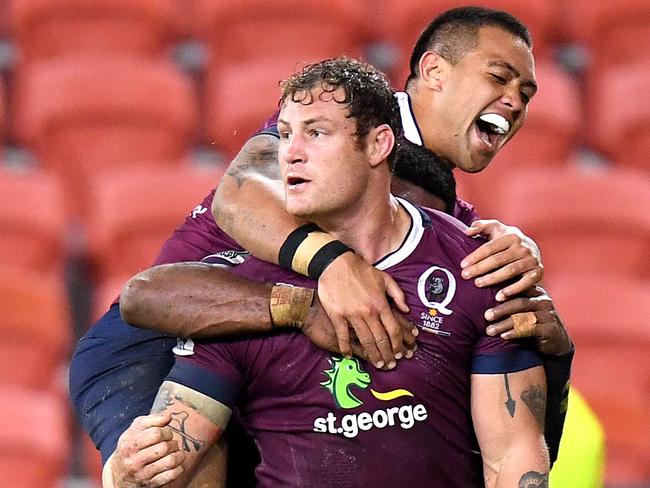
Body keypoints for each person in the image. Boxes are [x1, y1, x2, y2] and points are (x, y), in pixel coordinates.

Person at [69, 6, 572, 484]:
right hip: (157, 345)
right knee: (168, 468)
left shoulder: (441, 216)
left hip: (264, 360)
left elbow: (517, 444)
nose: (515, 100)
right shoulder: (334, 121)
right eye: (499, 77)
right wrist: (333, 266)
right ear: (435, 71)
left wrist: (546, 339)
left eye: (527, 92)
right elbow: (238, 199)